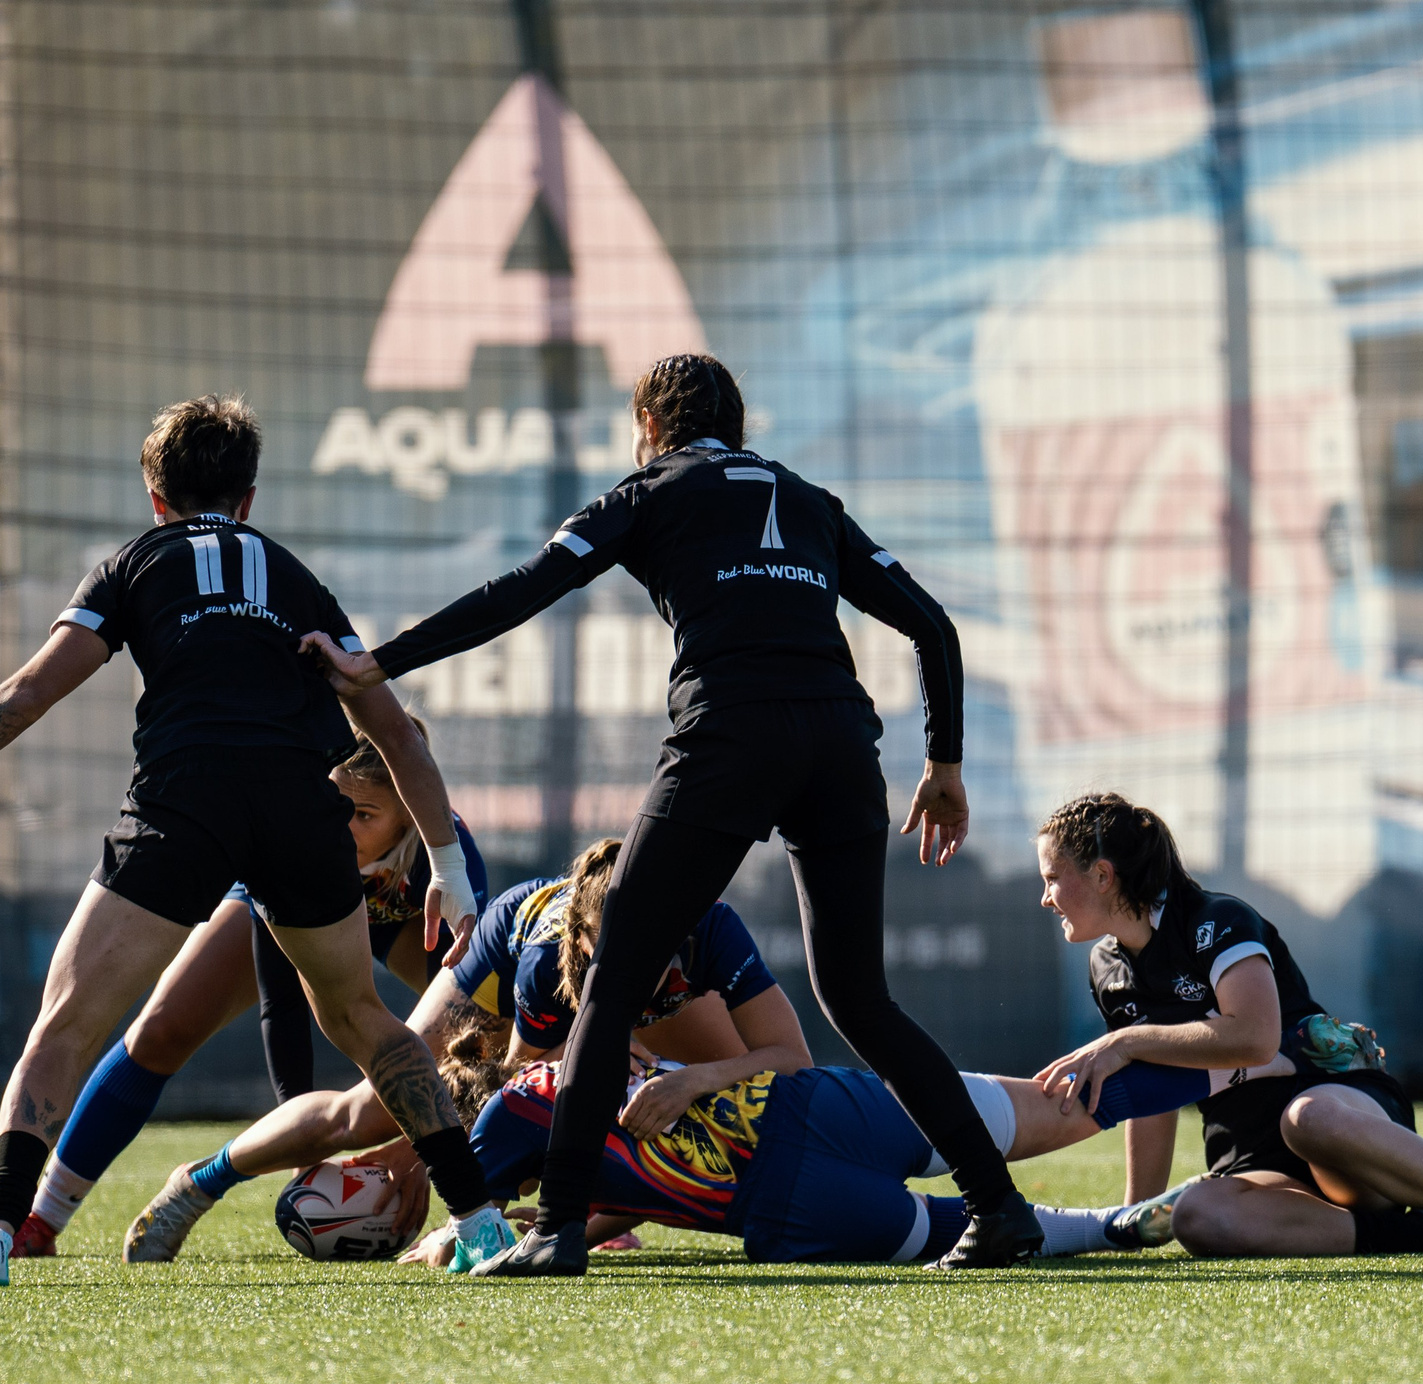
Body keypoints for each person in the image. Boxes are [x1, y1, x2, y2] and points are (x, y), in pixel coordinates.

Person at [304, 353, 1041, 1274]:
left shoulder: (649, 488)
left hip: (732, 739)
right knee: (859, 996)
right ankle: (999, 1208)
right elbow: (934, 624)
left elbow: (525, 588)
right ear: (736, 425)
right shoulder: (808, 498)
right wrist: (945, 764)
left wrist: (384, 660)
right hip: (842, 748)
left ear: (649, 424)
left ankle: (559, 1228)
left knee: (613, 976)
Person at [0, 394, 518, 1285]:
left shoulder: (134, 562)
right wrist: (447, 865)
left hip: (185, 799)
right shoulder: (293, 575)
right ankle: (479, 1223)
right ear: (247, 498)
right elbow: (391, 729)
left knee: (68, 1025)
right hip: (296, 804)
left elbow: (32, 689)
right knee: (365, 1021)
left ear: (154, 495)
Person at [124, 836, 813, 1261]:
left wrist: (692, 1081)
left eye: (658, 953)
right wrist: (430, 1156)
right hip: (505, 950)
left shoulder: (710, 931)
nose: (644, 972)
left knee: (700, 1110)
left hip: (590, 1010)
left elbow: (791, 1061)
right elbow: (519, 1096)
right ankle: (198, 1182)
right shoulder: (549, 966)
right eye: (619, 959)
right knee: (368, 1112)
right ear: (581, 950)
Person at [1031, 792, 1423, 1259]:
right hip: (1254, 1153)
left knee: (1308, 1117)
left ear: (1103, 875)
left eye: (1053, 878)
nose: (1045, 896)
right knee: (1197, 1216)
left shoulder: (1215, 920)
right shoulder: (1106, 966)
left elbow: (1255, 1039)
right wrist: (1133, 1212)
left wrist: (1124, 1042)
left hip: (1339, 1114)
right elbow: (1153, 1093)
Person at [13, 729, 488, 1256]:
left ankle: (584, 1205)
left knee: (480, 1029)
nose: (342, 825)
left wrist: (414, 1152)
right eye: (335, 804)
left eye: (365, 815)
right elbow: (280, 1004)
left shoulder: (446, 859)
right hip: (308, 899)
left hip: (396, 920)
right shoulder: (298, 832)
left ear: (408, 813)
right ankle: (41, 1219)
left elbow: (468, 1034)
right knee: (162, 1028)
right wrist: (302, 1150)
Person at [396, 1044, 1201, 1269]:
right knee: (1038, 1107)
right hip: (812, 1104)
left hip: (789, 1201)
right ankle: (1217, 1061)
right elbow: (633, 1175)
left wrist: (426, 1246)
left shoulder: (499, 1122)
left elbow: (478, 1239)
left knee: (962, 1228)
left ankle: (1111, 1225)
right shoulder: (576, 1057)